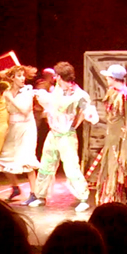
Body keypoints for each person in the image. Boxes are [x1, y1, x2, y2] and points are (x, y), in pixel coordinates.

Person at [29, 61, 99, 212]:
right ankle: (40, 196)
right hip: (53, 133)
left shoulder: (78, 94)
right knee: (46, 165)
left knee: (71, 167)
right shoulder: (56, 90)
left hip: (66, 136)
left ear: (59, 76)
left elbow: (88, 112)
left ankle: (83, 198)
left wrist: (82, 118)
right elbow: (51, 105)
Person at [0, 65, 42, 203]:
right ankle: (15, 188)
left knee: (27, 160)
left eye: (23, 75)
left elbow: (25, 110)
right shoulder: (7, 92)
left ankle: (34, 193)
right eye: (19, 76)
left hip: (26, 128)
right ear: (12, 78)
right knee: (5, 160)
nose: (22, 78)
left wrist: (11, 99)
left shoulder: (27, 91)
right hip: (13, 128)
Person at [94, 64, 127, 206]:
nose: (106, 79)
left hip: (122, 139)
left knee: (123, 169)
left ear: (113, 78)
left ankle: (126, 202)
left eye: (108, 77)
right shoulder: (112, 92)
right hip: (112, 137)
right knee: (111, 168)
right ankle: (112, 199)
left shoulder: (125, 95)